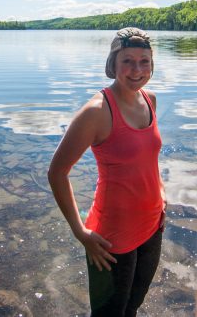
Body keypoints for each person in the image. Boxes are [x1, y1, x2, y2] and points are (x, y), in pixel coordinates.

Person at [48, 27, 166, 316]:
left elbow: (146, 159)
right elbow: (57, 172)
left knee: (134, 306)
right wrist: (80, 232)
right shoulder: (96, 111)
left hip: (152, 224)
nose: (137, 70)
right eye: (127, 60)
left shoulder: (150, 99)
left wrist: (162, 196)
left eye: (144, 61)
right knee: (109, 313)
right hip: (111, 238)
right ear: (112, 64)